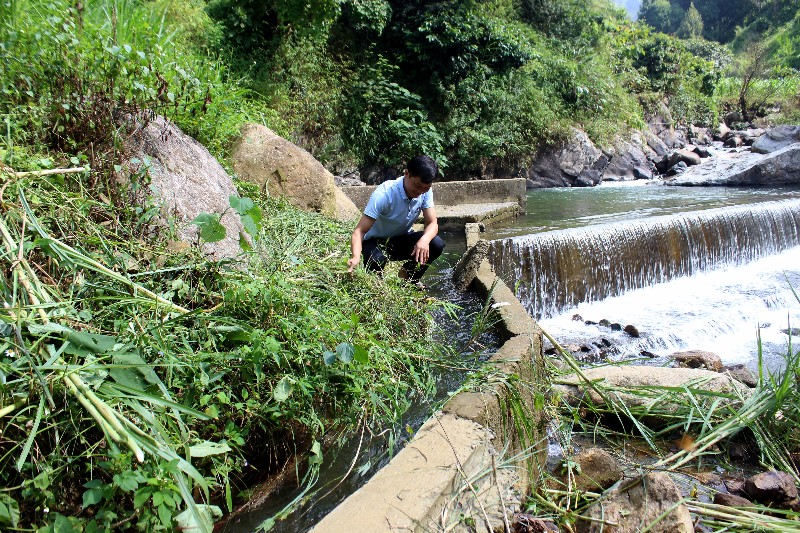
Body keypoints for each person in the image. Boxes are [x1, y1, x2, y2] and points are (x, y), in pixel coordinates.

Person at [347, 155, 445, 289]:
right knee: (377, 260)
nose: (420, 192)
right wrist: (355, 256)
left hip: (401, 239)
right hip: (374, 242)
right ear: (406, 173)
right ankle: (377, 287)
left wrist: (424, 240)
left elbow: (433, 223)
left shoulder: (424, 192)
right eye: (417, 186)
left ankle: (408, 278)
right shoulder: (385, 194)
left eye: (425, 188)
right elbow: (359, 231)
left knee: (436, 244)